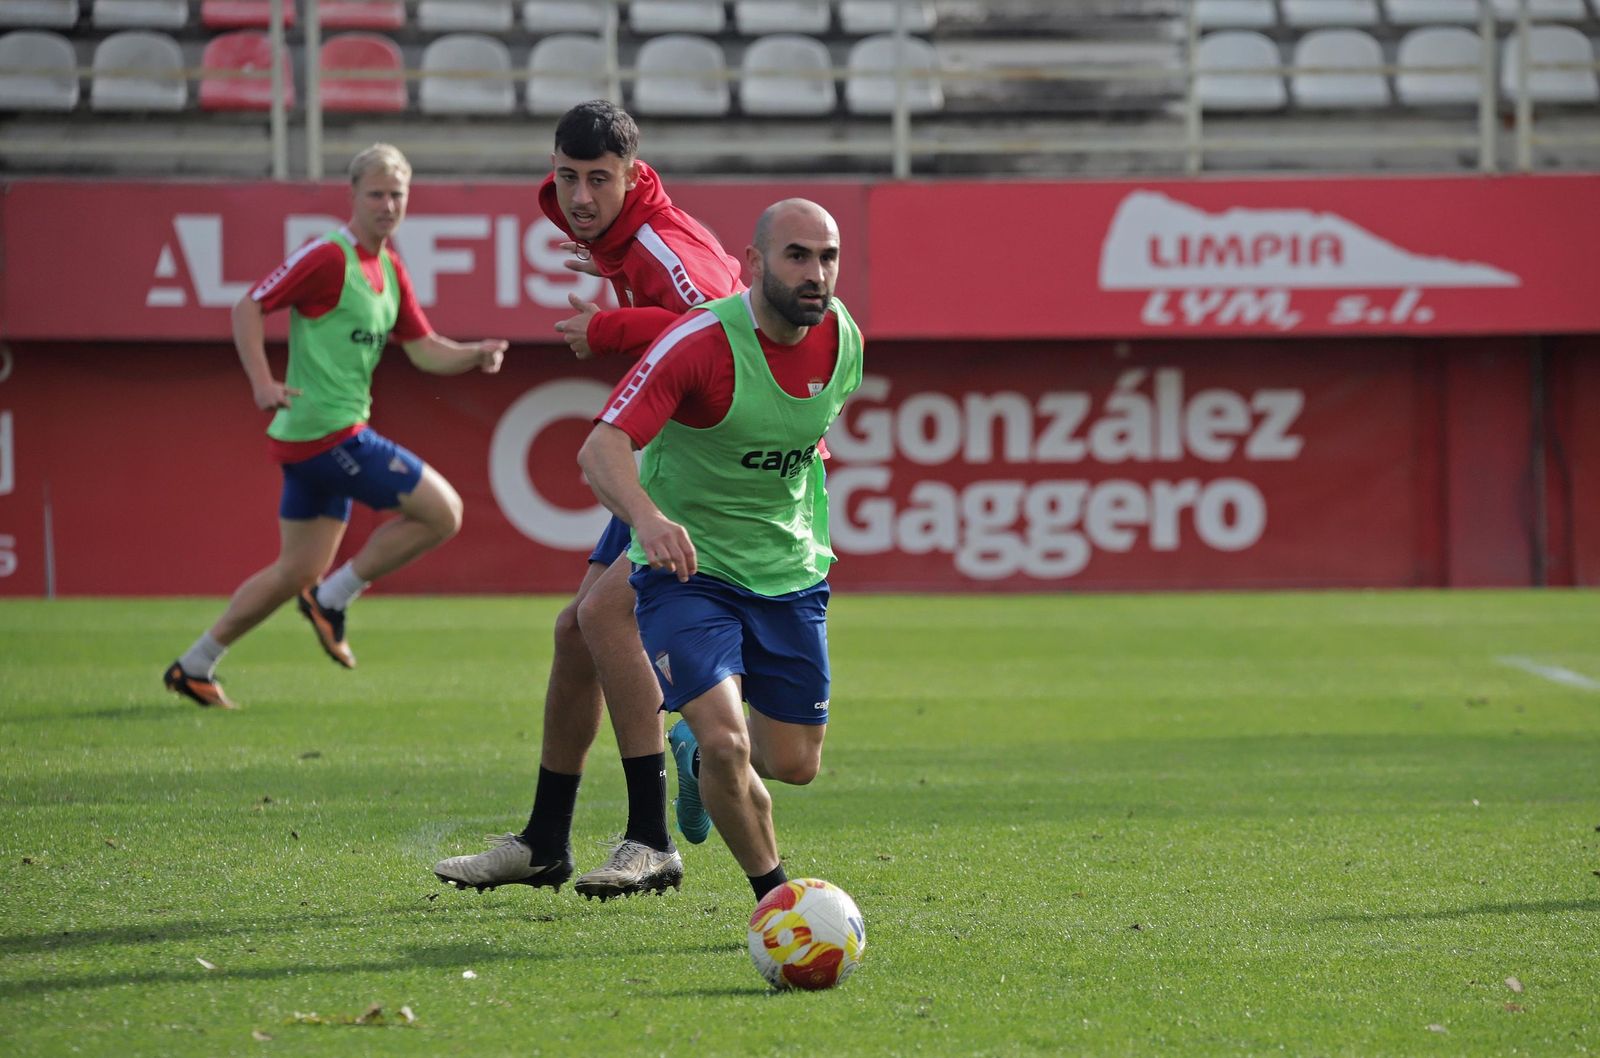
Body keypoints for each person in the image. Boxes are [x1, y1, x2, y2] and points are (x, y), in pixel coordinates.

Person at [431, 101, 744, 901]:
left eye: (598, 179)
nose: (577, 195)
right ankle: (543, 841)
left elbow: (721, 325)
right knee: (574, 634)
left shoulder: (657, 244)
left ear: (633, 176)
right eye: (567, 176)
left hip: (713, 461)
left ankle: (652, 838)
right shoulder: (615, 232)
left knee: (607, 617)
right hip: (670, 449)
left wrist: (609, 327)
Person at [575, 198, 862, 903]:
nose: (815, 273)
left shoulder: (844, 339)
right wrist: (646, 519)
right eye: (797, 256)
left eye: (827, 257)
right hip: (689, 575)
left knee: (792, 763)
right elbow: (601, 447)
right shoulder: (700, 342)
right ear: (755, 264)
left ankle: (696, 750)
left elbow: (804, 441)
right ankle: (779, 903)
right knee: (733, 749)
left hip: (787, 572)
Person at [162, 144, 507, 710]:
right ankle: (333, 597)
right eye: (376, 193)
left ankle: (195, 665)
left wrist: (474, 355)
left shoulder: (390, 267)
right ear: (352, 197)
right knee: (443, 513)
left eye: (397, 194)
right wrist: (261, 382)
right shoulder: (327, 256)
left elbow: (423, 351)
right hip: (330, 433)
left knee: (293, 568)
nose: (387, 204)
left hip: (315, 442)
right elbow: (248, 306)